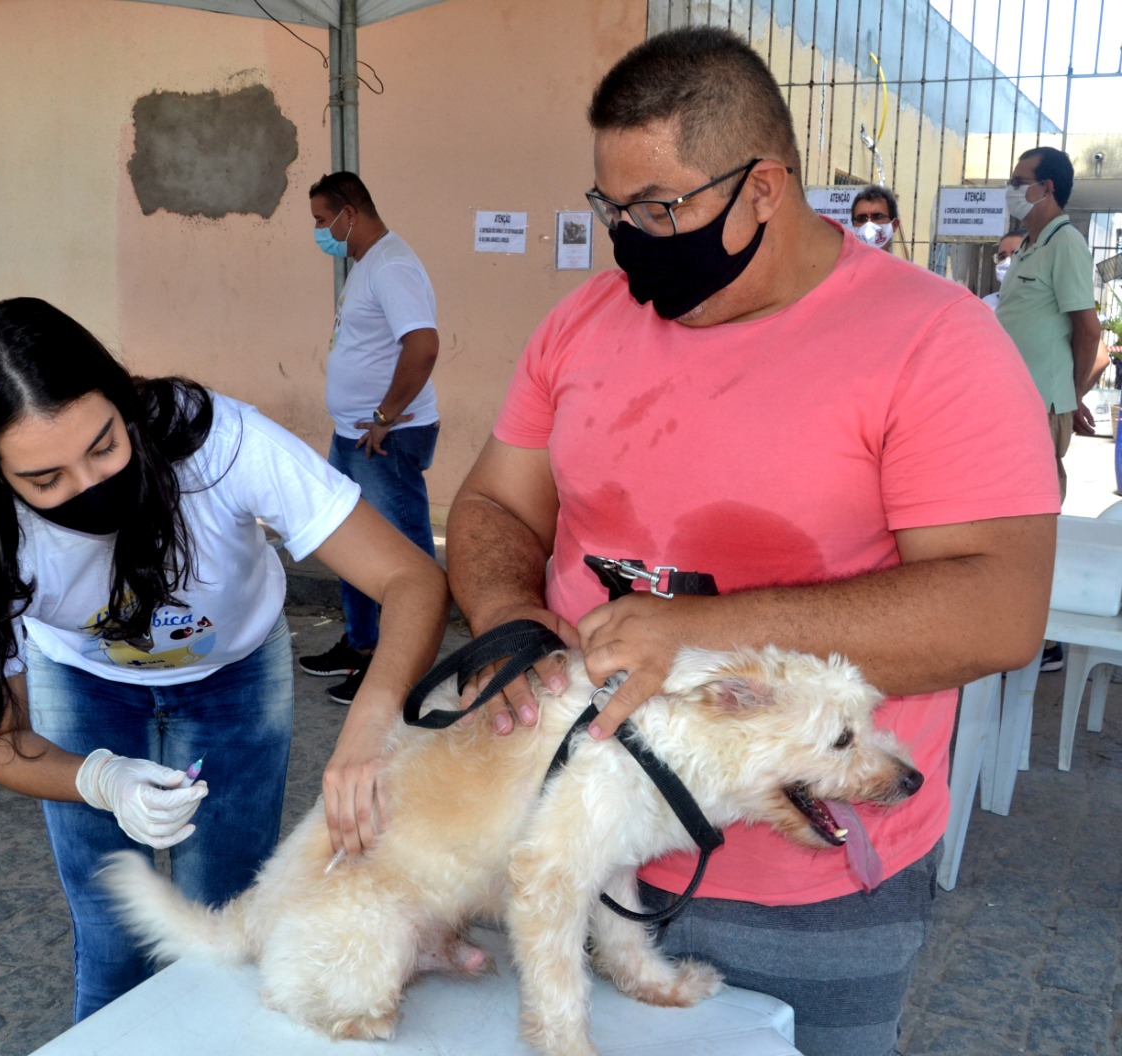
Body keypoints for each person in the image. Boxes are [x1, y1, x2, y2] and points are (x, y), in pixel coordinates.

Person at [445, 27, 1058, 1056]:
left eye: (659, 208)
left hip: (798, 869)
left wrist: (693, 638)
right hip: (570, 831)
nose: (630, 238)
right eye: (612, 209)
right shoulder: (582, 324)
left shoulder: (932, 340)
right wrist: (506, 616)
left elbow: (996, 608)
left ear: (764, 188)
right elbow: (491, 506)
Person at [0, 297, 448, 1021]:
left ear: (122, 397)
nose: (89, 485)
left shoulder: (218, 442)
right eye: (46, 480)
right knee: (112, 933)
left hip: (235, 676)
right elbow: (2, 745)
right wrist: (100, 778)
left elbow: (411, 579)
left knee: (226, 920)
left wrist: (369, 730)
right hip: (84, 682)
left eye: (104, 446)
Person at [298, 171, 441, 704]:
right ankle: (362, 647)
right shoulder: (367, 263)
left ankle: (406, 672)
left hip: (387, 440)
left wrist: (385, 415)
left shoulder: (394, 265)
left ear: (348, 214)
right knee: (352, 544)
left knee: (404, 558)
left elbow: (422, 347)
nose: (319, 232)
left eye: (321, 220)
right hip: (355, 435)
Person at [996, 148, 1104, 673]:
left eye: (1020, 180)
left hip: (1041, 408)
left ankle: (1047, 640)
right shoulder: (1029, 247)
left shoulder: (1066, 244)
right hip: (1014, 406)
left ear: (1049, 188)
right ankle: (1018, 627)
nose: (1012, 188)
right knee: (1006, 521)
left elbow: (1088, 331)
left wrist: (1073, 396)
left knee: (1031, 524)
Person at [981, 230, 1026, 310]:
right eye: (1002, 257)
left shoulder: (1047, 304)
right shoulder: (987, 304)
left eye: (1016, 254)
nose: (1007, 262)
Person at [851, 184, 901, 252]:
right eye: (862, 218)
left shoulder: (899, 263)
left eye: (877, 217)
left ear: (894, 224)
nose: (869, 224)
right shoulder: (844, 262)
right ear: (854, 225)